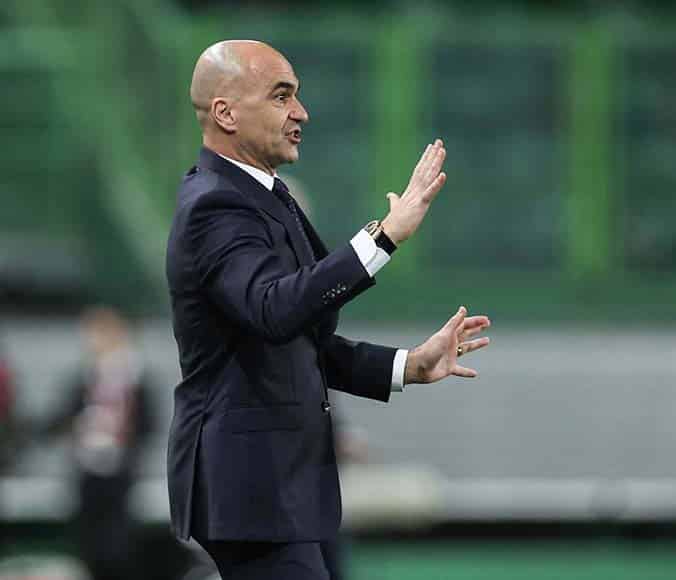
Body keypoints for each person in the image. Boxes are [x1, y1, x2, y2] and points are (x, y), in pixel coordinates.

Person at [165, 40, 491, 580]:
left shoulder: (265, 196)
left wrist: (407, 365)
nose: (301, 113)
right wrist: (384, 237)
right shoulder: (215, 206)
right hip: (249, 488)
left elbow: (295, 339)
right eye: (281, 96)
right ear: (225, 112)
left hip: (274, 487)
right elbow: (274, 310)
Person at [41, 306, 154, 580]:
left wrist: (123, 436)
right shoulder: (83, 380)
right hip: (87, 473)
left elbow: (148, 424)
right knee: (89, 546)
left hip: (119, 474)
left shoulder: (135, 381)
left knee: (117, 547)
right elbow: (57, 420)